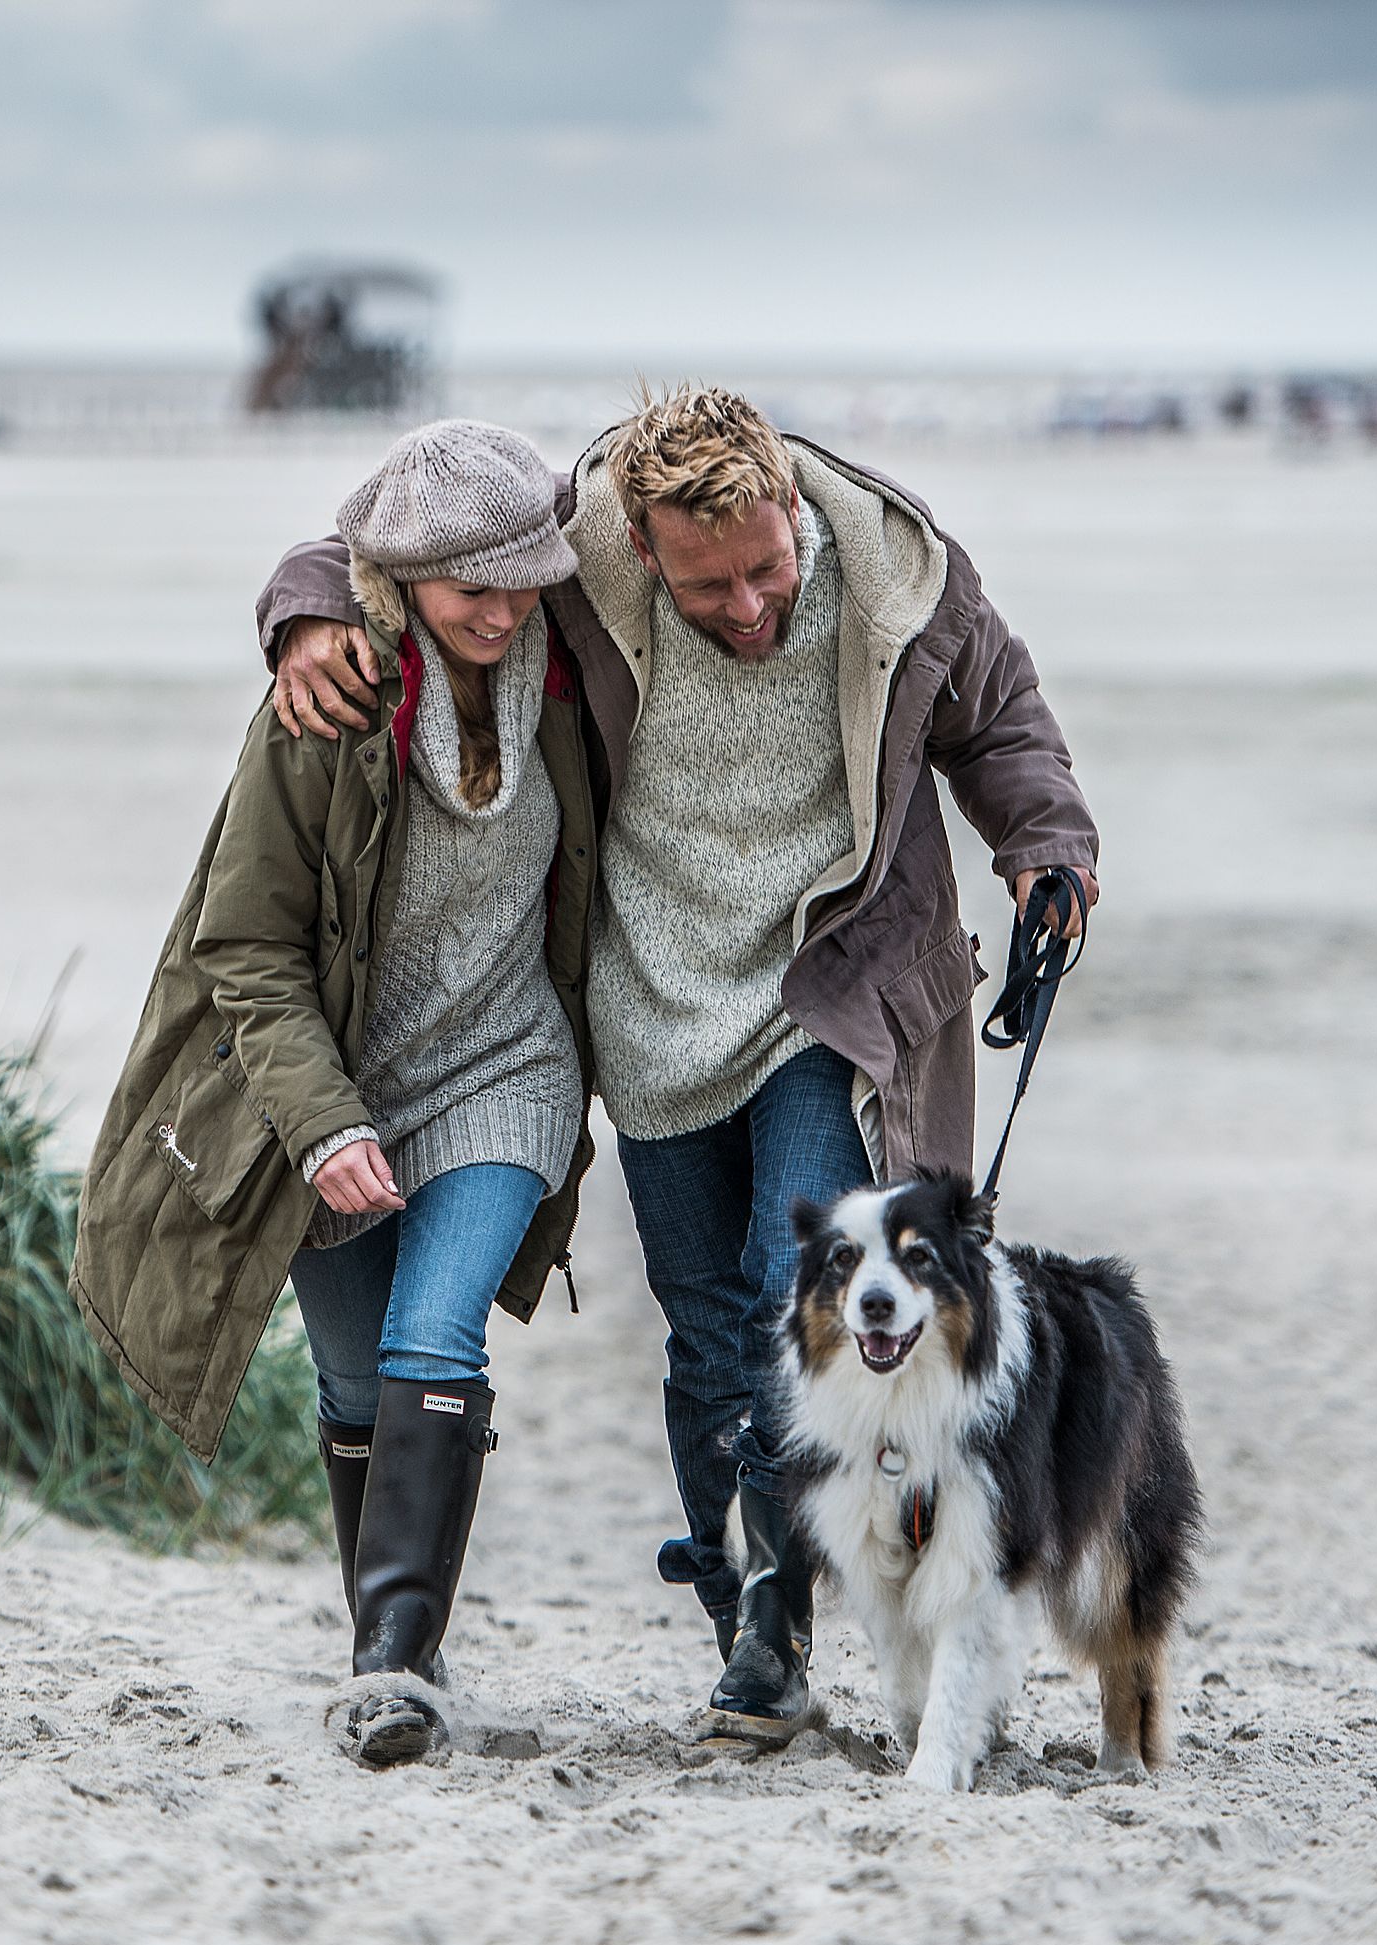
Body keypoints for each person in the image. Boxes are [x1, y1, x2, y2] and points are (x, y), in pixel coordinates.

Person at [250, 386, 1100, 1749]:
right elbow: (387, 550)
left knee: (790, 1297)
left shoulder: (892, 569)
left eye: (767, 568)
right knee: (706, 1329)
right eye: (709, 587)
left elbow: (1000, 718)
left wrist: (1047, 847)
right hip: (652, 1006)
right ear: (636, 550)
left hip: (831, 996)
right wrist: (300, 619)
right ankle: (751, 1627)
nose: (751, 605)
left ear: (792, 511)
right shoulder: (574, 561)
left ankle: (783, 1623)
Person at [71, 419, 603, 1768]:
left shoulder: (572, 660)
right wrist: (323, 1124)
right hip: (338, 1086)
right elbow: (241, 944)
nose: (503, 610)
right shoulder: (329, 700)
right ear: (403, 580)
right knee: (357, 1382)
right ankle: (396, 1644)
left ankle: (392, 1669)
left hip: (508, 1068)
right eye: (469, 590)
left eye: (522, 579)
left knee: (437, 1340)